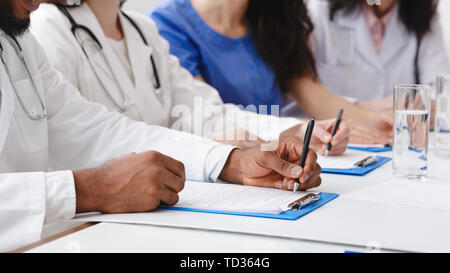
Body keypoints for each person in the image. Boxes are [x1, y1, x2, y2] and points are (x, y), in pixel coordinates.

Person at [0, 0, 321, 252]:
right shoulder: (46, 28)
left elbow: (97, 130)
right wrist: (88, 189)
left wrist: (232, 162)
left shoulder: (19, 41)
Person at [30, 0, 350, 156]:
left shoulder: (142, 30)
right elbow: (75, 148)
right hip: (91, 224)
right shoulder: (48, 29)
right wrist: (208, 149)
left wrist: (293, 130)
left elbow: (207, 114)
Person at [149, 0, 394, 144]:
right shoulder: (167, 25)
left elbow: (314, 96)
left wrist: (374, 122)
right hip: (228, 173)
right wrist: (300, 129)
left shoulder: (272, 18)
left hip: (285, 159)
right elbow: (208, 120)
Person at [307, 0, 450, 111]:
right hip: (333, 141)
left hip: (393, 141)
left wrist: (422, 104)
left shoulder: (423, 15)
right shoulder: (319, 10)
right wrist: (369, 110)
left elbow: (442, 93)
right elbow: (299, 100)